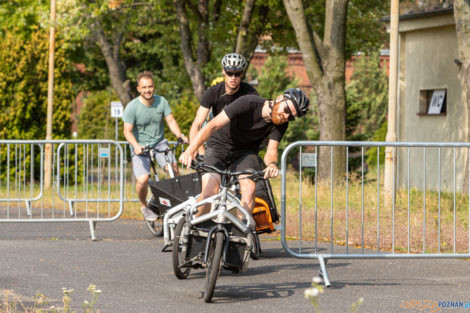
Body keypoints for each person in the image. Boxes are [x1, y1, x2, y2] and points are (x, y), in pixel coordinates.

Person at [180, 88, 310, 220]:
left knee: (249, 190)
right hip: (219, 146)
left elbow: (271, 151)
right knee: (209, 193)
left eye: (291, 117)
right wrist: (190, 150)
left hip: (245, 152)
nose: (286, 116)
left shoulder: (281, 124)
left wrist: (272, 164)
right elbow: (212, 126)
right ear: (280, 98)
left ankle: (241, 231)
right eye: (287, 110)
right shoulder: (248, 103)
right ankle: (190, 228)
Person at [123, 70, 188, 221]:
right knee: (143, 179)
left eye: (150, 87)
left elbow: (170, 120)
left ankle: (177, 204)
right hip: (140, 146)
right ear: (139, 89)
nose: (148, 90)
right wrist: (136, 146)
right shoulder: (132, 107)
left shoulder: (161, 101)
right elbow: (127, 131)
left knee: (173, 169)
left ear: (154, 87)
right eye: (144, 87)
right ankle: (144, 205)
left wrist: (180, 135)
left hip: (159, 143)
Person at [189, 53, 258, 155]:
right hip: (217, 143)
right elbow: (197, 124)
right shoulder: (213, 91)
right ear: (223, 71)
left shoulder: (251, 93)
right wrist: (197, 150)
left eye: (237, 73)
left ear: (242, 73)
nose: (233, 77)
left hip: (241, 145)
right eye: (229, 73)